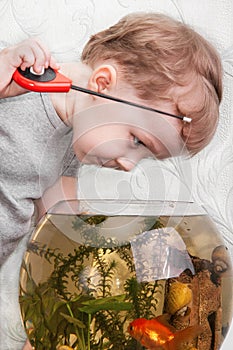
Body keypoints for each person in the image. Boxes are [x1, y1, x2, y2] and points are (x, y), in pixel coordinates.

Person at [0, 12, 222, 350]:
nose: (130, 166)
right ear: (102, 84)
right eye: (137, 141)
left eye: (148, 157)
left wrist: (52, 324)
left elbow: (62, 232)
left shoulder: (70, 142)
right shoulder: (16, 97)